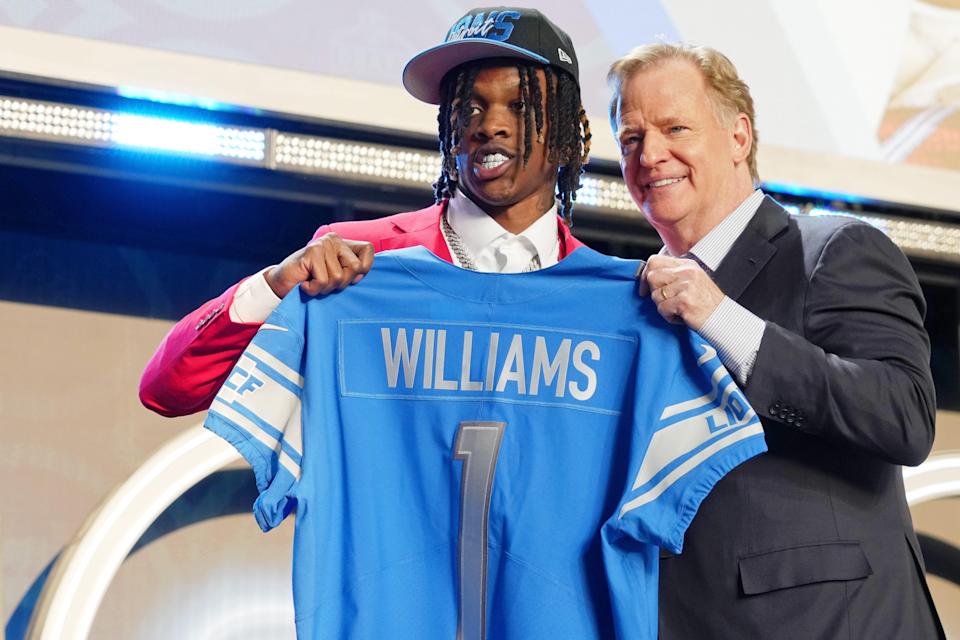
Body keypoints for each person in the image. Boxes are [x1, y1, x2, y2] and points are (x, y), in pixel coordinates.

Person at [607, 43, 944, 638]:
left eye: (674, 128)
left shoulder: (835, 250)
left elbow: (904, 415)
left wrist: (723, 319)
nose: (651, 155)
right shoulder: (633, 304)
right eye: (631, 139)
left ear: (738, 137)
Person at [139, 7, 592, 416]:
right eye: (467, 108)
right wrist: (276, 286)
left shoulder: (602, 294)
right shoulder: (359, 261)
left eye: (521, 106)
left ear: (568, 132)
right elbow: (168, 389)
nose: (489, 125)